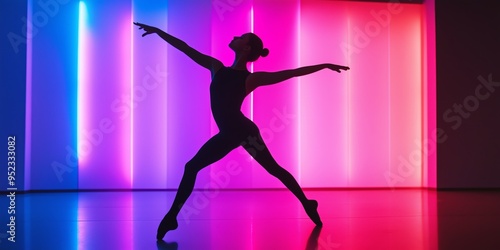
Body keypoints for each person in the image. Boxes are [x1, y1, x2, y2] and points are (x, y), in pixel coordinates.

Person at [133, 22, 350, 240]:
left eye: (242, 37)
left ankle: (172, 216)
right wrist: (159, 32)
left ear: (246, 48)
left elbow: (291, 73)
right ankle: (307, 203)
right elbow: (185, 48)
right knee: (271, 168)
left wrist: (323, 65)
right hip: (238, 130)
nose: (236, 36)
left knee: (198, 167)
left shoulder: (251, 78)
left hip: (237, 131)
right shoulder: (216, 67)